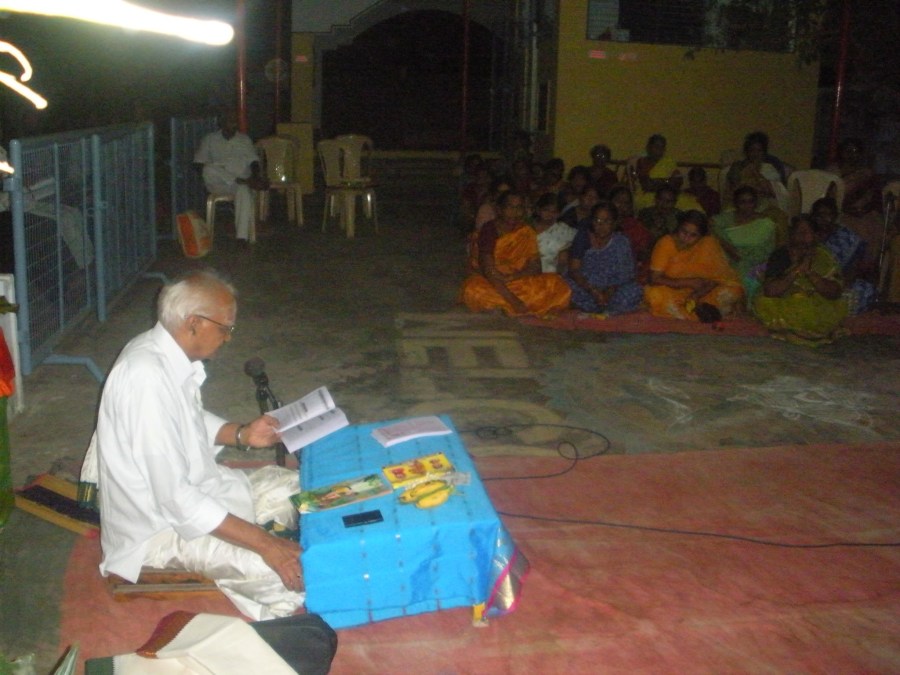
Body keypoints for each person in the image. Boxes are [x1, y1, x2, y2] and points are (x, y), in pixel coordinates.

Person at [88, 271, 304, 620]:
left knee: (301, 489)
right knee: (291, 575)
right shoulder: (145, 378)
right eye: (225, 328)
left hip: (202, 491)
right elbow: (176, 499)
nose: (228, 338)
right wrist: (267, 545)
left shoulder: (163, 353)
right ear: (193, 323)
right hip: (159, 531)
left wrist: (242, 434)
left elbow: (188, 418)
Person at [461, 190, 572, 316]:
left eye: (519, 208)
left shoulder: (526, 231)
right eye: (510, 207)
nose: (515, 212)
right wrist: (513, 300)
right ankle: (506, 305)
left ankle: (501, 306)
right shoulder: (489, 230)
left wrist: (513, 277)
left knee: (557, 283)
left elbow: (536, 266)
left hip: (518, 279)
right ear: (499, 209)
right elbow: (488, 269)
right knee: (473, 288)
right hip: (493, 281)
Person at [754, 214, 847, 346]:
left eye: (806, 232)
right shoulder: (781, 254)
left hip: (817, 303)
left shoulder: (824, 257)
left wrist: (810, 273)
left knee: (816, 310)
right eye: (798, 232)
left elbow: (835, 292)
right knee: (764, 303)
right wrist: (796, 272)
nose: (801, 236)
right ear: (791, 234)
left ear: (816, 235)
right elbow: (770, 291)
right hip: (786, 301)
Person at [645, 210, 744, 322]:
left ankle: (696, 309)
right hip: (673, 289)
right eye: (684, 231)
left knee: (734, 291)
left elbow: (717, 278)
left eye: (693, 235)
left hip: (703, 291)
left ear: (701, 236)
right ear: (678, 227)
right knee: (655, 295)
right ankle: (699, 311)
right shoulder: (665, 243)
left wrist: (697, 295)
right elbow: (654, 278)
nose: (686, 238)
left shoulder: (708, 244)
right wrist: (688, 282)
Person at [194, 110, 268, 242]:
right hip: (219, 184)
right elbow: (198, 164)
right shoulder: (210, 139)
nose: (234, 124)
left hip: (239, 184)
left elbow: (254, 161)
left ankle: (241, 237)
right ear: (221, 123)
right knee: (208, 169)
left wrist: (256, 176)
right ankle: (244, 181)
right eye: (230, 120)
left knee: (244, 192)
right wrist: (225, 174)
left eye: (235, 121)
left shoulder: (244, 140)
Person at [565, 201, 643, 315]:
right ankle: (598, 307)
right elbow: (574, 270)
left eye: (607, 221)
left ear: (614, 223)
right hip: (586, 285)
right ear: (592, 222)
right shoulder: (583, 237)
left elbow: (627, 273)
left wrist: (610, 290)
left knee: (634, 291)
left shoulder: (621, 241)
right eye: (597, 221)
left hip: (613, 287)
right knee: (566, 287)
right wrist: (593, 290)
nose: (601, 226)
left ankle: (602, 307)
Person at [827, 138, 883, 275]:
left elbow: (874, 197)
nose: (851, 154)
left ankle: (865, 271)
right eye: (848, 150)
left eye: (855, 151)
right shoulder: (832, 172)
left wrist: (864, 209)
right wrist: (849, 209)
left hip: (864, 213)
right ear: (841, 152)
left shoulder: (865, 173)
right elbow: (830, 198)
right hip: (840, 212)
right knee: (854, 229)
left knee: (876, 226)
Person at [810, 196, 876, 314]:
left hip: (841, 281)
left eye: (829, 215)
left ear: (835, 216)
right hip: (812, 280)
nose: (825, 219)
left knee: (865, 290)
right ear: (814, 216)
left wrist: (842, 283)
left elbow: (857, 266)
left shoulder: (847, 237)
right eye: (820, 215)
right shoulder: (808, 234)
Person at [712, 186, 777, 304]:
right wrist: (727, 247)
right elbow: (713, 230)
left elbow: (769, 251)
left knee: (750, 278)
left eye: (750, 201)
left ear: (756, 203)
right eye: (742, 202)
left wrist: (745, 258)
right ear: (736, 204)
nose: (747, 206)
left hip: (758, 264)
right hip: (728, 261)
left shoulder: (765, 224)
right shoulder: (725, 219)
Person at [725, 131, 788, 242]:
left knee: (780, 219)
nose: (755, 154)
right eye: (752, 150)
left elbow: (775, 192)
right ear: (747, 152)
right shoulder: (737, 168)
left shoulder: (769, 169)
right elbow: (733, 190)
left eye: (759, 150)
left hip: (764, 206)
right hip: (740, 205)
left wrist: (756, 174)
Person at [609, 185, 652, 283]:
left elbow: (643, 252)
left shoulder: (636, 226)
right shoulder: (600, 224)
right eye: (618, 201)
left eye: (626, 203)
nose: (621, 205)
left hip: (629, 270)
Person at [631, 134, 683, 211]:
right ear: (648, 147)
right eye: (656, 147)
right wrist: (666, 181)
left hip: (666, 197)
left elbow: (678, 181)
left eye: (662, 147)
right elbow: (646, 185)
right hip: (644, 197)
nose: (659, 150)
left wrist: (660, 182)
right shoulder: (640, 162)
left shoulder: (669, 162)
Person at [531, 192, 577, 274]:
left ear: (559, 214)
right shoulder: (526, 227)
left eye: (554, 211)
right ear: (538, 210)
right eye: (546, 210)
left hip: (551, 274)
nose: (549, 214)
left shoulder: (564, 230)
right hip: (525, 271)